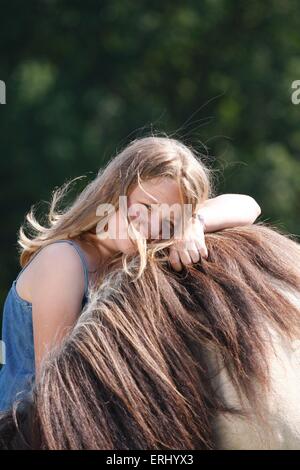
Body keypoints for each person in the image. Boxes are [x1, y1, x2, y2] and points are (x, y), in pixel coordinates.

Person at [0, 135, 261, 412]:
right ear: (116, 191)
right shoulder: (64, 260)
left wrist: (195, 222)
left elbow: (249, 205)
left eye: (168, 221)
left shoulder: (131, 265)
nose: (150, 228)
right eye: (146, 207)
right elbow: (55, 393)